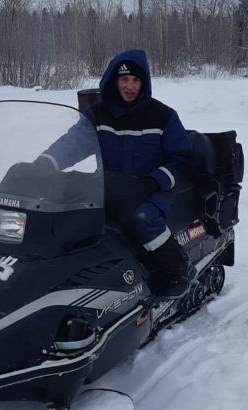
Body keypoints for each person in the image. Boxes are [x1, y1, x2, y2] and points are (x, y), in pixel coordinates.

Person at [82, 49, 196, 297]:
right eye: (124, 79)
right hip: (108, 188)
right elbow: (71, 143)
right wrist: (41, 162)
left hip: (150, 191)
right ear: (114, 80)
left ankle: (179, 269)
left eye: (136, 80)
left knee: (140, 218)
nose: (130, 86)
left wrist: (151, 183)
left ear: (144, 82)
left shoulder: (163, 116)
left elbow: (183, 161)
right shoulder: (97, 115)